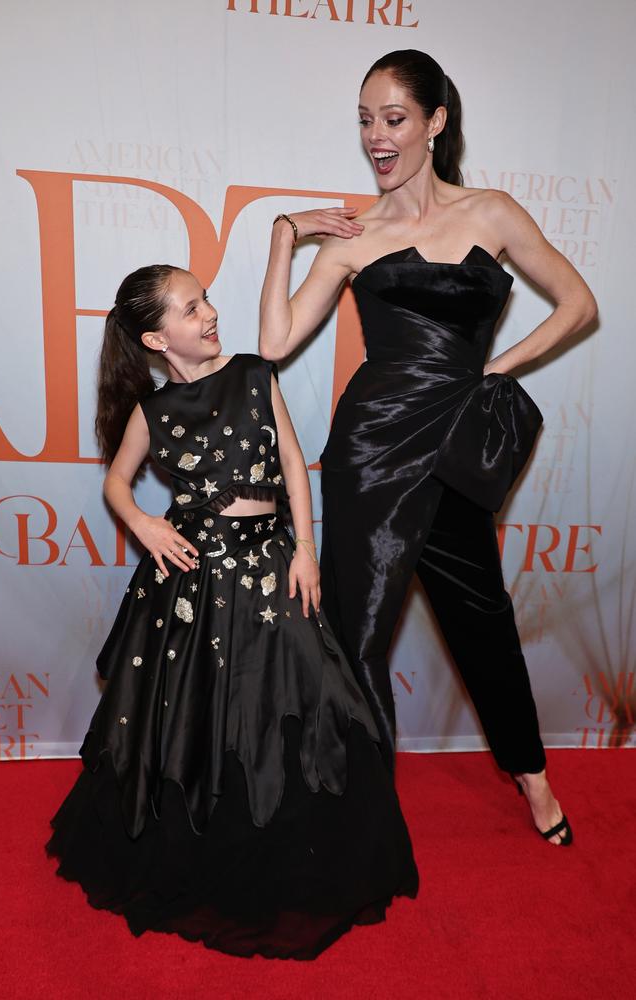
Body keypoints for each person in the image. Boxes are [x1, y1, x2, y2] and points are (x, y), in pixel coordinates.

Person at [259, 50, 597, 847]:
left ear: (435, 122)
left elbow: (578, 304)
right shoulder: (354, 235)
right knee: (355, 629)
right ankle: (355, 799)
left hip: (454, 448)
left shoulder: (492, 211)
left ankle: (534, 777)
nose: (378, 137)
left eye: (394, 119)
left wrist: (493, 372)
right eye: (366, 121)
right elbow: (273, 342)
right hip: (372, 451)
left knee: (483, 617)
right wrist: (285, 234)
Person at [46, 264, 418, 960]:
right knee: (203, 721)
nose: (210, 313)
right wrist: (146, 526)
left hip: (275, 565)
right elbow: (118, 483)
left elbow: (294, 464)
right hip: (196, 581)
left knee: (310, 710)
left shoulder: (253, 373)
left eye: (207, 298)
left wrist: (306, 550)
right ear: (157, 339)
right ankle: (208, 850)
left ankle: (299, 851)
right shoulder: (150, 414)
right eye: (192, 309)